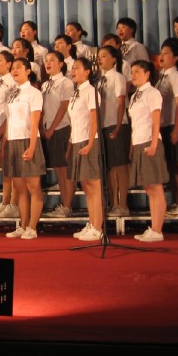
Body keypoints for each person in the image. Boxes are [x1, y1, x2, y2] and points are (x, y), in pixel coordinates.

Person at [3, 58, 46, 240]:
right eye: (13, 68)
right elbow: (9, 120)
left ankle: (32, 227)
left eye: (19, 68)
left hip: (28, 139)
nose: (15, 71)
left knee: (33, 186)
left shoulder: (34, 93)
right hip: (13, 140)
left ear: (28, 71)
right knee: (19, 188)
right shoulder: (12, 93)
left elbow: (35, 121)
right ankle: (22, 225)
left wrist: (32, 146)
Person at [128, 60, 169, 242]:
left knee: (155, 186)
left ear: (147, 74)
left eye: (137, 71)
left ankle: (157, 230)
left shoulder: (152, 93)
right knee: (148, 187)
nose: (133, 75)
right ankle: (153, 227)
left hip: (149, 141)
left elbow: (155, 119)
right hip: (138, 141)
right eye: (132, 72)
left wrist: (153, 144)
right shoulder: (135, 96)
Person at [67, 59, 104, 241]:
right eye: (72, 68)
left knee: (94, 185)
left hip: (89, 140)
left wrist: (90, 143)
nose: (73, 71)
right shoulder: (76, 93)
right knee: (86, 186)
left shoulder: (91, 91)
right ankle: (91, 222)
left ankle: (98, 227)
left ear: (87, 71)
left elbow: (94, 118)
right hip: (77, 139)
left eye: (77, 68)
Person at [157, 39, 178, 218]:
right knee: (171, 166)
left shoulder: (177, 76)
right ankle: (176, 201)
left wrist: (177, 129)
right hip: (164, 124)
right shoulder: (161, 76)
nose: (162, 56)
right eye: (161, 53)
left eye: (166, 53)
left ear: (176, 58)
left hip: (175, 124)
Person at [97, 45, 131, 216]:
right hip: (103, 125)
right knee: (110, 167)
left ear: (113, 59)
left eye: (104, 56)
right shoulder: (100, 80)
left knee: (120, 166)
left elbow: (121, 102)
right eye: (99, 56)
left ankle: (123, 204)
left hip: (116, 124)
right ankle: (113, 202)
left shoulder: (117, 77)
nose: (100, 59)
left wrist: (118, 126)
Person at [41, 51, 74, 219]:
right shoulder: (45, 85)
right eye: (46, 60)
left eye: (52, 60)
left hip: (62, 128)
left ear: (61, 64)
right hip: (49, 129)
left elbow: (63, 107)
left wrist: (52, 128)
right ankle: (64, 204)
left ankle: (68, 206)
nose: (48, 63)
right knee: (58, 170)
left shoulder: (66, 83)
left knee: (66, 169)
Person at [0, 50, 20, 219]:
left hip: (7, 129)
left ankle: (14, 203)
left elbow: (10, 110)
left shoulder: (12, 83)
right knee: (6, 169)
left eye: (0, 60)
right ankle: (5, 201)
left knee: (12, 169)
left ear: (9, 64)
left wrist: (2, 129)